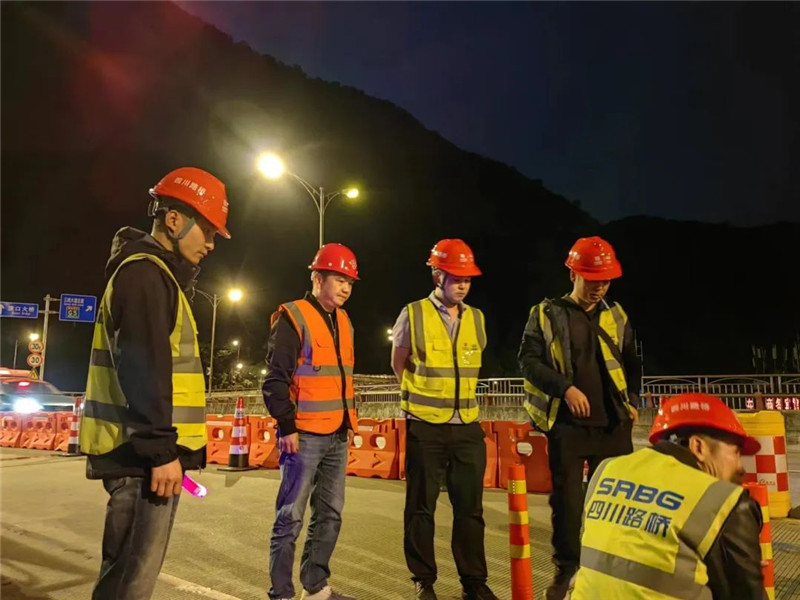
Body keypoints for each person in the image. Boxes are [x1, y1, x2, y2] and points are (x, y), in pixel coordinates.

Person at [80, 167, 231, 599]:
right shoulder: (146, 275)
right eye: (207, 230)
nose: (211, 243)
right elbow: (143, 366)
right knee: (130, 581)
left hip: (144, 453)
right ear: (174, 219)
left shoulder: (155, 275)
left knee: (125, 574)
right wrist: (160, 450)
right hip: (143, 459)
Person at [517, 236, 640, 600]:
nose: (599, 287)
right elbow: (528, 361)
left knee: (616, 505)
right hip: (567, 426)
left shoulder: (617, 315)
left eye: (605, 280)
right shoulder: (546, 314)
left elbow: (632, 361)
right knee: (568, 504)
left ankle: (612, 569)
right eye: (592, 280)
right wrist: (566, 389)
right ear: (572, 274)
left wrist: (633, 400)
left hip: (614, 425)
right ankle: (567, 570)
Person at [572, 393, 767, 600]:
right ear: (698, 447)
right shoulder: (724, 502)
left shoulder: (606, 470)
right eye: (736, 453)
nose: (741, 467)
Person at [391, 239, 498, 600]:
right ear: (437, 275)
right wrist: (420, 399)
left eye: (467, 279)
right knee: (421, 508)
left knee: (470, 510)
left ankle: (474, 582)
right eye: (456, 278)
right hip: (425, 426)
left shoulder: (477, 318)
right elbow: (399, 362)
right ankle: (424, 581)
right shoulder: (413, 313)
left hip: (467, 425)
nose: (463, 285)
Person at [263, 243, 359, 600]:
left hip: (337, 433)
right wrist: (286, 426)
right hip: (303, 434)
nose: (346, 287)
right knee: (290, 516)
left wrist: (348, 424)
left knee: (330, 515)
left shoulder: (345, 321)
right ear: (318, 278)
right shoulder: (293, 316)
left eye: (350, 282)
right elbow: (275, 379)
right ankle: (282, 593)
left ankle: (315, 586)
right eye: (339, 279)